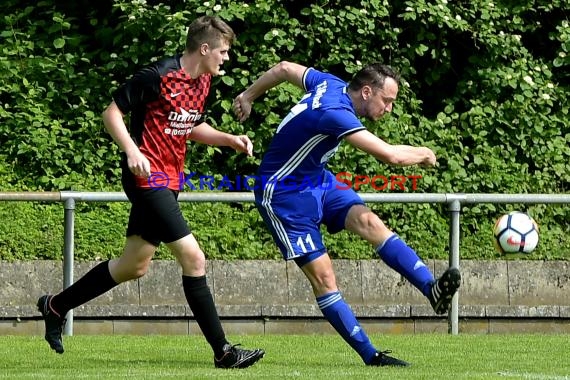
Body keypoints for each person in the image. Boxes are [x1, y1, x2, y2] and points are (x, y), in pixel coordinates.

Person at [37, 15, 265, 369]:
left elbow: (190, 125)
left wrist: (229, 140)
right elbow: (111, 113)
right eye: (223, 51)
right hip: (147, 179)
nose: (226, 57)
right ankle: (224, 352)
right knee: (194, 257)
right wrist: (132, 150)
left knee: (133, 265)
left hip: (170, 181)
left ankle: (55, 306)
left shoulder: (202, 81)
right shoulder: (157, 76)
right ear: (204, 48)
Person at [232, 61, 461, 367]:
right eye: (387, 101)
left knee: (370, 222)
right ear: (367, 92)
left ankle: (431, 289)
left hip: (316, 180)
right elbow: (389, 155)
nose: (389, 109)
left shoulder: (329, 82)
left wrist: (248, 96)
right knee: (325, 278)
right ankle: (371, 356)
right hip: (283, 195)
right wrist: (423, 153)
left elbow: (285, 68)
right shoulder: (335, 113)